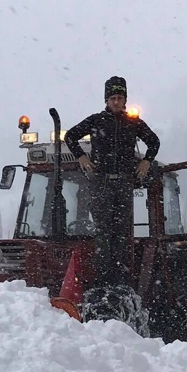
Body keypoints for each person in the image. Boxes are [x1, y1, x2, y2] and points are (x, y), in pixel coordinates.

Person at [64, 76, 160, 291]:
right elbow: (70, 136)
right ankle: (104, 278)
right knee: (104, 231)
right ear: (106, 100)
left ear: (125, 100)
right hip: (101, 183)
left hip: (125, 183)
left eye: (120, 98)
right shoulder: (96, 120)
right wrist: (80, 156)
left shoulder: (134, 123)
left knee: (121, 231)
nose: (116, 102)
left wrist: (146, 161)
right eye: (113, 98)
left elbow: (154, 142)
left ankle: (120, 277)